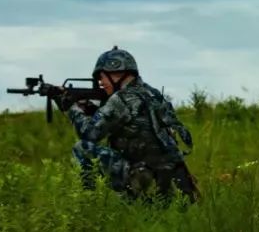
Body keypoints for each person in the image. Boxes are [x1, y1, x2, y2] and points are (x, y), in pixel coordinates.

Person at [61, 47, 199, 203]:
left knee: (82, 147)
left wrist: (71, 109)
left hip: (141, 173)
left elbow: (89, 133)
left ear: (115, 73)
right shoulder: (152, 93)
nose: (101, 83)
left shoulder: (120, 99)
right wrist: (93, 110)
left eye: (102, 77)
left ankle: (90, 201)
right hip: (169, 172)